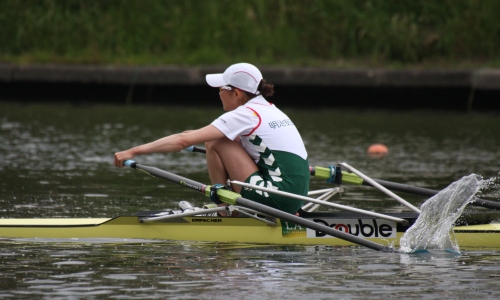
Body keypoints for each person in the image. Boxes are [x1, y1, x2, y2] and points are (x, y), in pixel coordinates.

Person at [114, 63, 309, 214]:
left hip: (278, 198)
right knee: (220, 137)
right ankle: (237, 206)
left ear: (236, 93)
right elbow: (189, 136)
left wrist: (133, 151)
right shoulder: (269, 109)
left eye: (221, 89)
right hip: (296, 197)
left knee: (215, 141)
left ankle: (226, 211)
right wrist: (190, 135)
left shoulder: (245, 114)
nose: (219, 94)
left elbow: (182, 141)